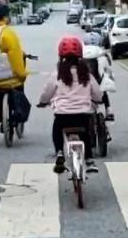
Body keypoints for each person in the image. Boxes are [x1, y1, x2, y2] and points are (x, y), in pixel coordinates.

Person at [38, 36, 102, 174]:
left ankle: (59, 152)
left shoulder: (57, 75)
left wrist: (43, 102)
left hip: (62, 115)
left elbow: (46, 93)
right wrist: (97, 101)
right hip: (83, 114)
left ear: (60, 55)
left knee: (57, 130)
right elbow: (97, 94)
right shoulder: (87, 75)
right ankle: (89, 160)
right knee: (85, 133)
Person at [82, 31, 115, 121]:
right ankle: (108, 110)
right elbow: (108, 69)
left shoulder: (82, 53)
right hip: (98, 84)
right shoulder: (101, 53)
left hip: (83, 84)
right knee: (104, 90)